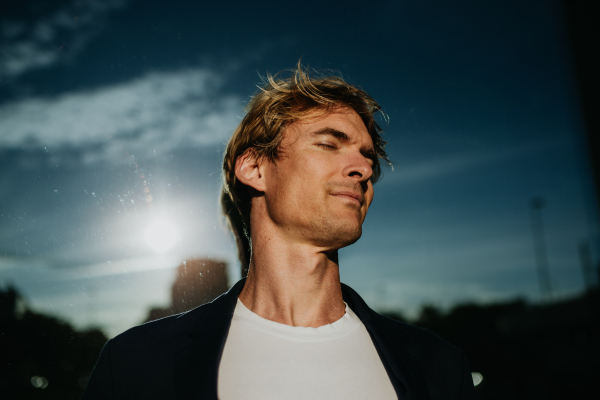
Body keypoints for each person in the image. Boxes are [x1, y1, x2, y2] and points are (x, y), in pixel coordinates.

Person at [82, 64, 477, 400]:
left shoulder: (439, 367)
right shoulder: (137, 364)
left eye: (367, 157)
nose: (364, 169)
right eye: (328, 144)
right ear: (254, 169)